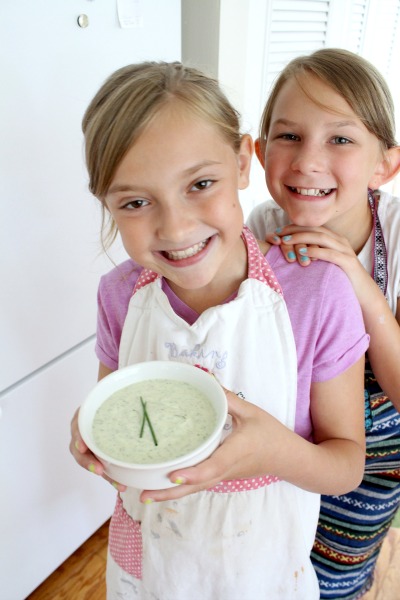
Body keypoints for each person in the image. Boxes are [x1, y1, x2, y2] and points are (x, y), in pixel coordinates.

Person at [70, 61, 368, 600]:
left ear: (241, 160)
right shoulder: (120, 295)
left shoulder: (317, 294)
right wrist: (93, 435)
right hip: (153, 569)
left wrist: (276, 451)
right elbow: (113, 403)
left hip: (262, 572)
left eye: (200, 184)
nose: (176, 227)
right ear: (105, 200)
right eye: (135, 203)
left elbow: (346, 466)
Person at [247, 48, 400, 599]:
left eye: (340, 139)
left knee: (333, 580)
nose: (308, 161)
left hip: (372, 468)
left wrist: (358, 285)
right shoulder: (261, 227)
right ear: (260, 153)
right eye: (288, 137)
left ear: (385, 163)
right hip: (287, 447)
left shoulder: (398, 235)